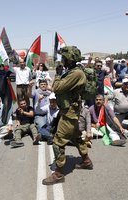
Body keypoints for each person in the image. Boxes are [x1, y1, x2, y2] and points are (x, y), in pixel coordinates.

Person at [42, 46, 92, 185]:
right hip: (69, 111)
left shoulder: (75, 74)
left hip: (70, 113)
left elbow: (56, 88)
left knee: (58, 141)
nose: (62, 60)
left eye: (64, 57)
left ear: (70, 58)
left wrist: (57, 74)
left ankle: (58, 174)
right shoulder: (73, 71)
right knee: (76, 137)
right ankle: (86, 161)